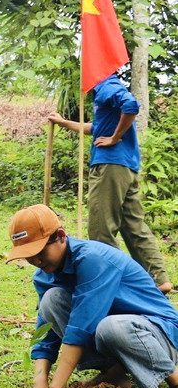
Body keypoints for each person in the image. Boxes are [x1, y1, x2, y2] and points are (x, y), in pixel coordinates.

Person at [7, 204, 178, 388]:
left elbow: (81, 327)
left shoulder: (93, 259)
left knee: (111, 327)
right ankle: (114, 375)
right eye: (28, 255)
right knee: (51, 299)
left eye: (39, 251)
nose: (35, 260)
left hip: (159, 335)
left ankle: (175, 381)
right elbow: (46, 333)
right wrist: (40, 385)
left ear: (61, 236)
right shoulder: (44, 276)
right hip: (118, 338)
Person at [47, 74, 172, 292]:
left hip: (110, 166)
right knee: (134, 227)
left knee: (101, 230)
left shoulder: (107, 85)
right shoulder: (106, 91)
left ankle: (118, 284)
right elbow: (95, 128)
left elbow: (131, 106)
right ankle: (159, 280)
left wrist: (115, 138)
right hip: (126, 167)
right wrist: (64, 122)